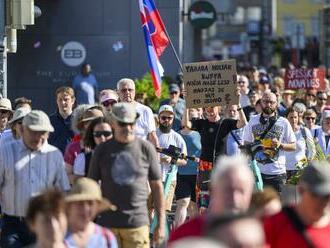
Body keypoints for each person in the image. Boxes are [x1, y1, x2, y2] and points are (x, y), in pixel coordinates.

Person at [88, 103, 165, 248]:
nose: (128, 128)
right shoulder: (102, 150)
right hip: (107, 224)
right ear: (113, 123)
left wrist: (161, 224)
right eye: (123, 123)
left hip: (137, 223)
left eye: (131, 123)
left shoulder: (146, 148)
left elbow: (157, 186)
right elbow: (91, 187)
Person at [0, 110, 70, 247]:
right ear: (23, 129)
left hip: (44, 222)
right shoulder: (5, 152)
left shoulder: (54, 155)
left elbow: (62, 191)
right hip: (13, 223)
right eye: (34, 132)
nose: (38, 137)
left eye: (43, 133)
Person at [168, 154, 254, 244]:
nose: (234, 197)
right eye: (228, 189)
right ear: (215, 189)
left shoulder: (260, 230)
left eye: (241, 191)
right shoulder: (190, 231)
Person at [183, 94, 247, 210]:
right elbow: (186, 124)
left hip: (221, 165)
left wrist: (238, 104)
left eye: (212, 108)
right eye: (207, 108)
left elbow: (243, 123)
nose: (209, 111)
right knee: (204, 200)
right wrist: (187, 106)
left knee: (222, 197)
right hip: (205, 165)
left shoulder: (226, 123)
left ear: (219, 108)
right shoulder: (201, 123)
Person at [264, 161, 330, 247]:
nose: (324, 202)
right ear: (301, 190)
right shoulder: (276, 223)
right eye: (316, 195)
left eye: (327, 196)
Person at [243, 91, 296, 193]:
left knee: (278, 206)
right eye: (265, 101)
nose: (268, 104)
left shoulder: (283, 122)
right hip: (257, 172)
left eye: (271, 102)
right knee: (258, 206)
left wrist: (280, 145)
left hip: (278, 174)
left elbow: (293, 146)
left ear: (276, 103)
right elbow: (246, 144)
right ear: (261, 102)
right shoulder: (253, 120)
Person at [65, 177, 118, 248]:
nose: (85, 209)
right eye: (80, 203)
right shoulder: (57, 235)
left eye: (90, 203)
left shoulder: (106, 238)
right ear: (70, 206)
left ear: (97, 207)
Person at [156, 105, 187, 215]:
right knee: (150, 209)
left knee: (163, 211)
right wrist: (158, 159)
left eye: (169, 118)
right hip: (152, 178)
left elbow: (184, 160)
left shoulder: (177, 138)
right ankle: (150, 232)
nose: (166, 121)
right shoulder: (152, 135)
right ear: (159, 118)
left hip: (169, 179)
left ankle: (160, 232)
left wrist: (172, 160)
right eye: (164, 118)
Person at [174, 109, 201, 228]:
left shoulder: (201, 133)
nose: (191, 121)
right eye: (189, 118)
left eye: (194, 119)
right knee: (183, 202)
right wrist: (186, 105)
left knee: (193, 206)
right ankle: (177, 233)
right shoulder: (176, 134)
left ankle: (194, 235)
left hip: (197, 174)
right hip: (181, 174)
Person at [116, 78, 159, 147]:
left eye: (130, 90)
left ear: (135, 92)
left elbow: (153, 137)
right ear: (118, 93)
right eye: (124, 90)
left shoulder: (145, 111)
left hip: (140, 153)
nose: (127, 92)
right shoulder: (114, 111)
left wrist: (156, 157)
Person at [285, 107, 315, 179]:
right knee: (286, 190)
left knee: (299, 190)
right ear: (286, 118)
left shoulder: (304, 131)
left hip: (300, 171)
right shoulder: (282, 132)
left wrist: (303, 164)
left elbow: (312, 150)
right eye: (291, 117)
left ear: (298, 118)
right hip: (284, 171)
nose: (293, 120)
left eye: (295, 117)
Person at [49, 86, 76, 154]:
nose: (63, 102)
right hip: (53, 160)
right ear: (56, 101)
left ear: (73, 101)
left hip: (74, 161)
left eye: (66, 99)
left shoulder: (79, 121)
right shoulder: (49, 121)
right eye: (60, 99)